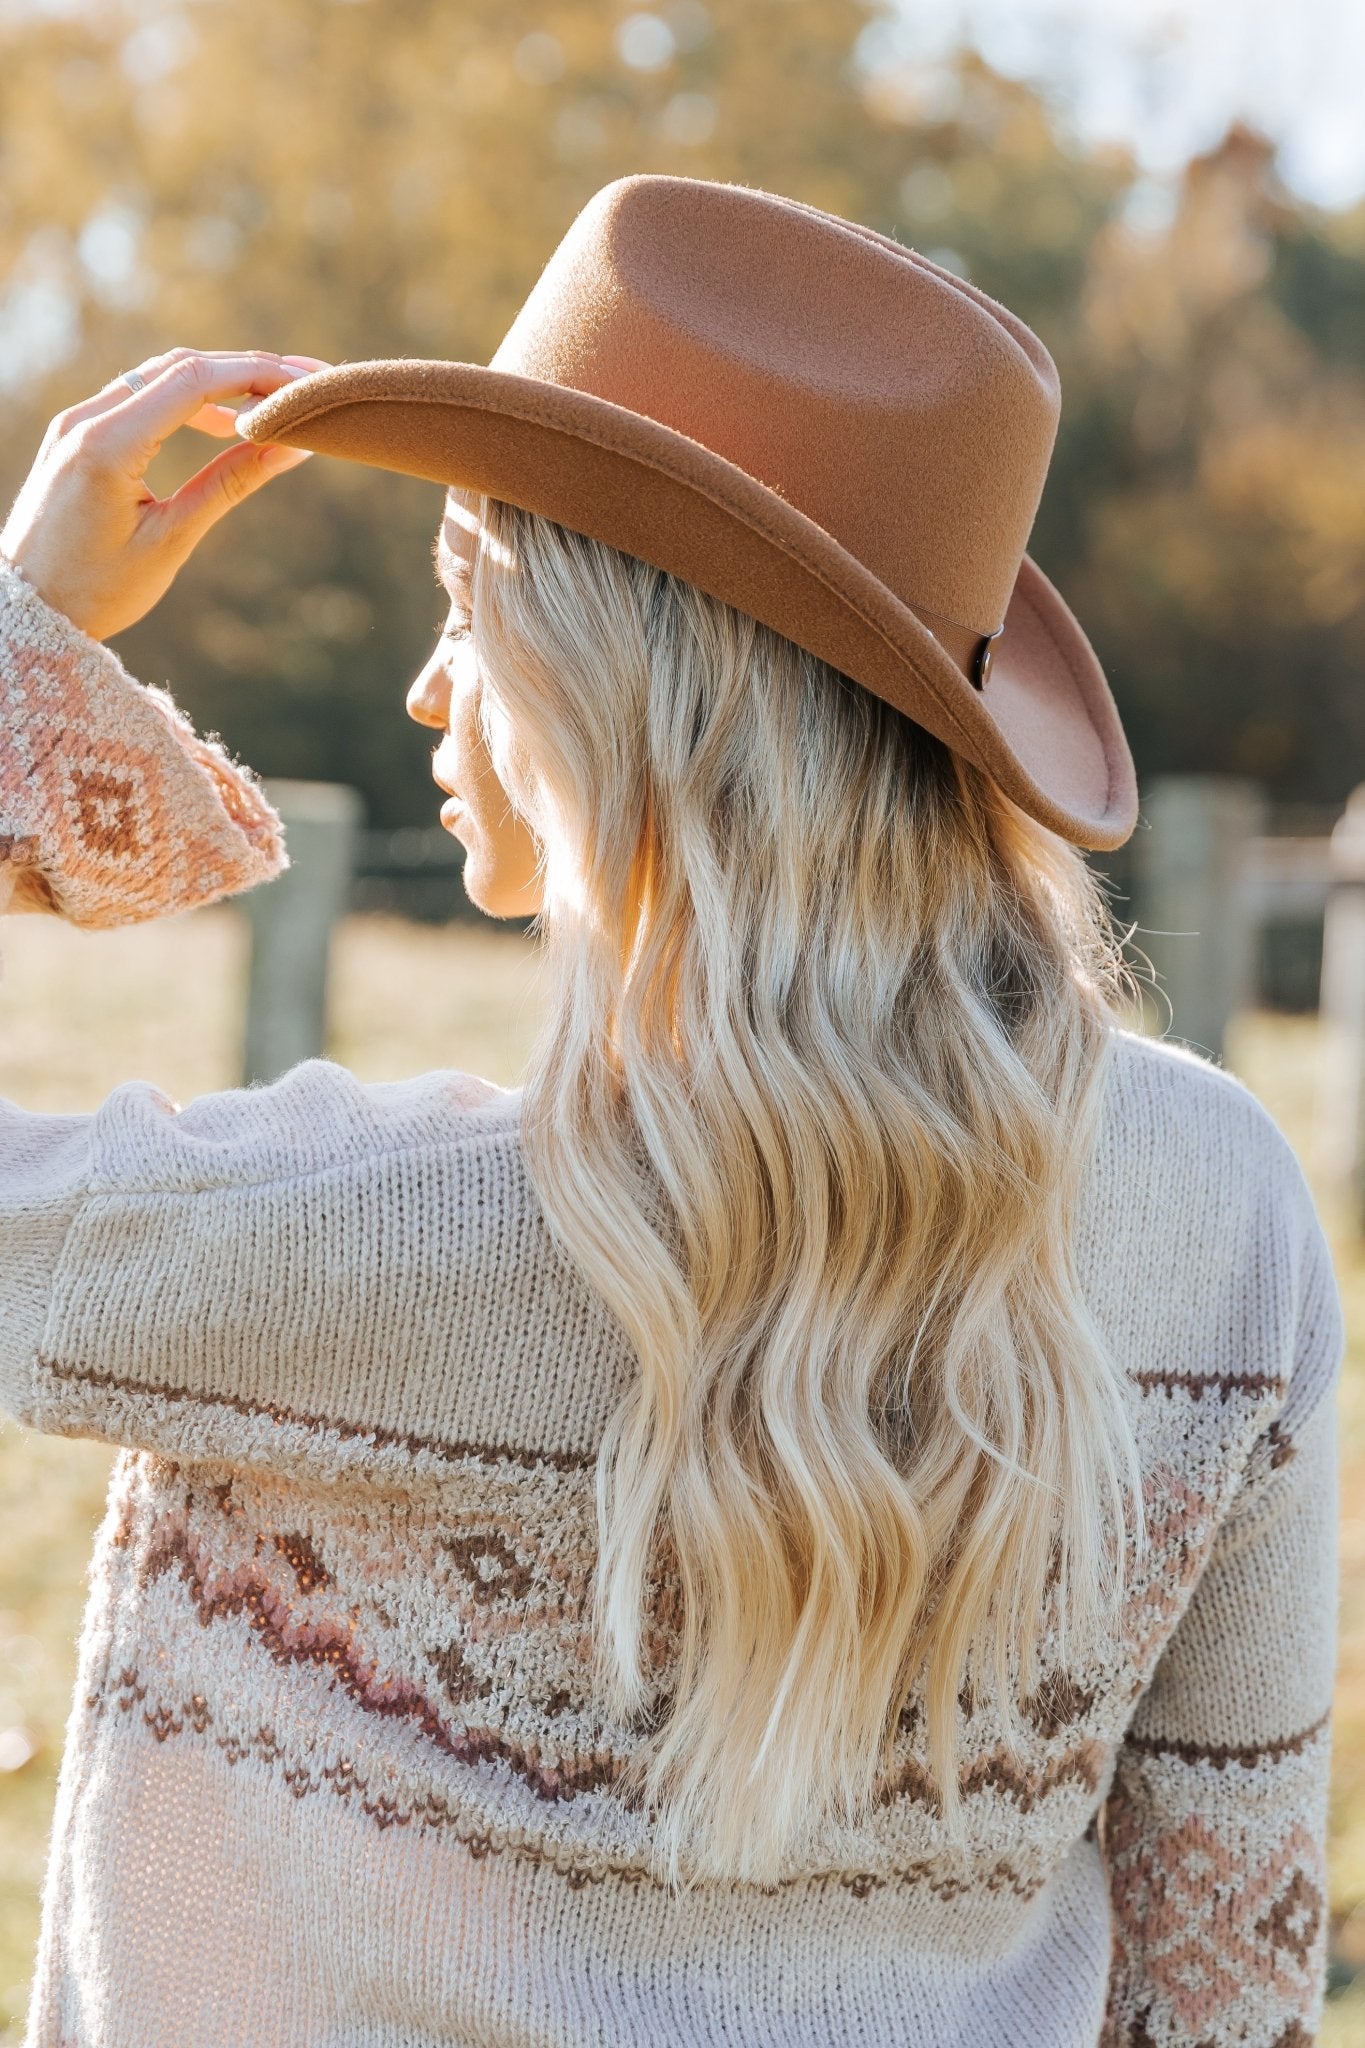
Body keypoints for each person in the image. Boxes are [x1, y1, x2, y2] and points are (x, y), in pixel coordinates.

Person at [0, 175, 1343, 2048]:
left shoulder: (327, 1240)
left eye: (464, 601)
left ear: (592, 673)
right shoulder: (1228, 1209)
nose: (421, 684)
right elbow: (1228, 1976)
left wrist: (22, 644)